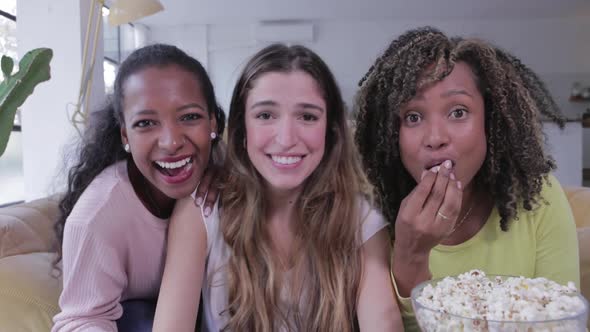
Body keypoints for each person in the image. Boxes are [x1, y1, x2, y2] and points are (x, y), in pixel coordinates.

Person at [153, 44, 403, 331]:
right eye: (265, 115)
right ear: (241, 130)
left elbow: (384, 323)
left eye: (307, 116)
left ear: (331, 132)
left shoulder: (362, 220)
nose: (286, 138)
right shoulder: (201, 211)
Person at [353, 26, 580, 330]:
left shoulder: (539, 198)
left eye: (458, 112)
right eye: (413, 117)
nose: (435, 138)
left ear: (491, 121)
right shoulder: (369, 219)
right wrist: (412, 255)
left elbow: (563, 319)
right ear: (391, 134)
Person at [52, 43, 225, 331]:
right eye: (146, 123)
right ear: (125, 135)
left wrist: (228, 174)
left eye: (190, 117)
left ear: (213, 123)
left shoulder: (228, 180)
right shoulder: (97, 217)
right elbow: (81, 320)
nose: (171, 142)